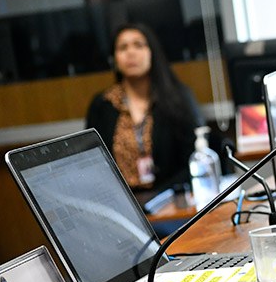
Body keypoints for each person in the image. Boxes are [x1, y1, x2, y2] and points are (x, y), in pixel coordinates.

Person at [86, 22, 203, 192]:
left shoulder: (178, 98)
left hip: (173, 201)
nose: (131, 52)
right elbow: (92, 165)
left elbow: (193, 159)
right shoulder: (102, 104)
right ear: (115, 59)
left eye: (138, 45)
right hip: (122, 204)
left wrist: (159, 198)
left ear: (152, 53)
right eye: (123, 47)